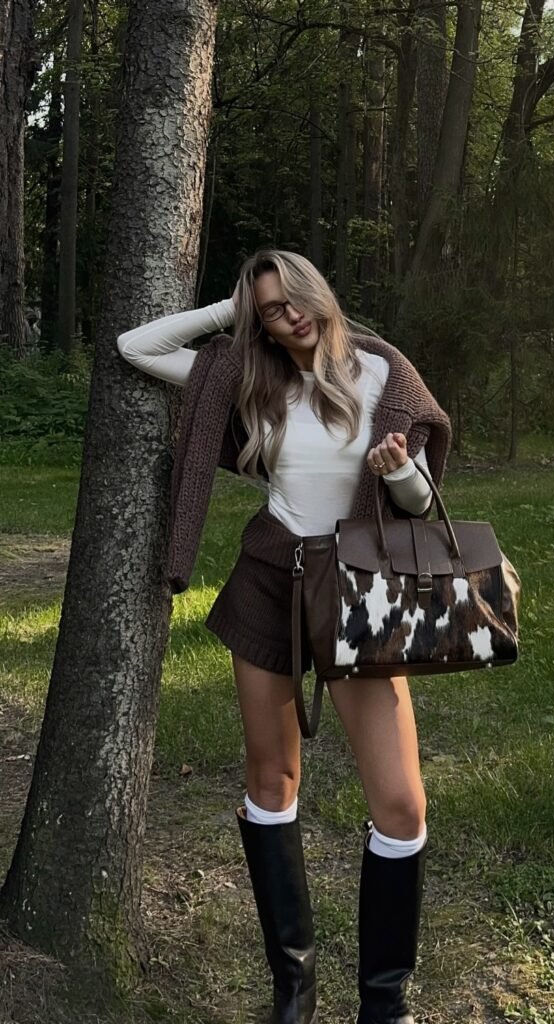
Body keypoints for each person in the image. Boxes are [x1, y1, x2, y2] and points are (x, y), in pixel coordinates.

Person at [117, 248, 453, 1024]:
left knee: (399, 804)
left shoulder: (382, 372)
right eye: (271, 308)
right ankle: (293, 990)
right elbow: (138, 347)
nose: (290, 314)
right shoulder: (249, 378)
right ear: (258, 320)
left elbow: (420, 496)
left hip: (359, 585)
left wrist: (397, 469)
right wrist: (231, 314)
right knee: (270, 785)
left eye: (294, 297)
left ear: (320, 293)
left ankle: (383, 1004)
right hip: (270, 580)